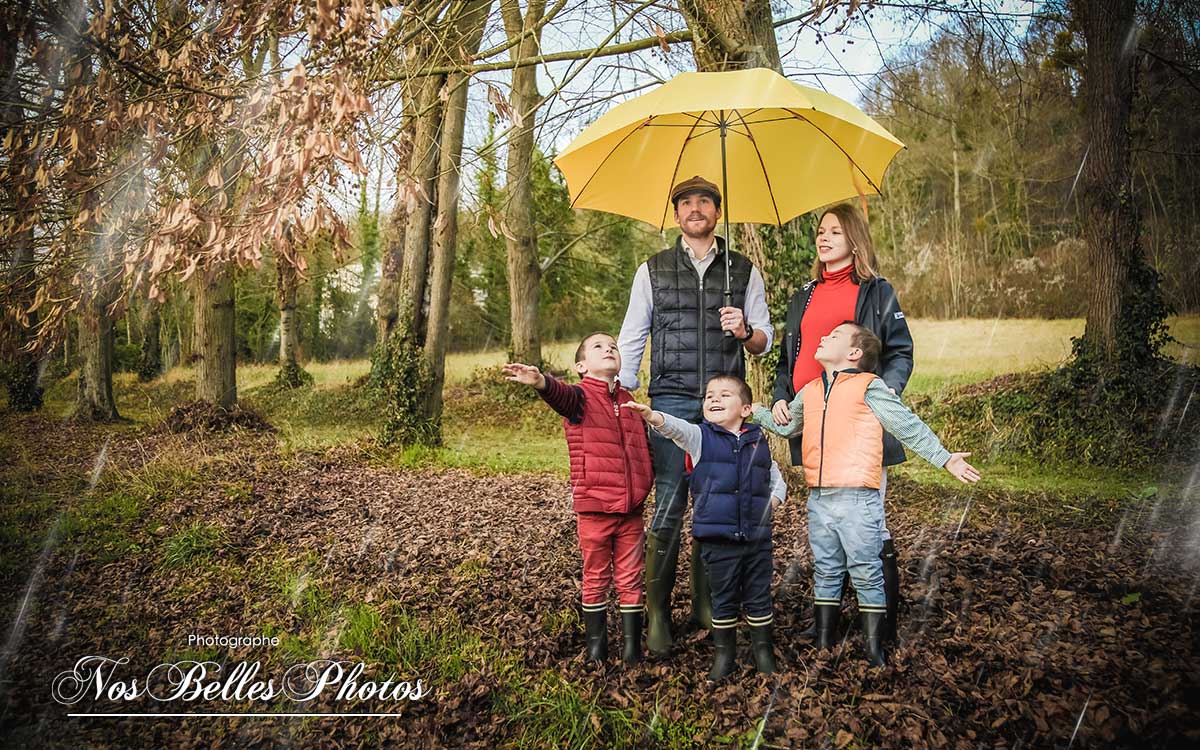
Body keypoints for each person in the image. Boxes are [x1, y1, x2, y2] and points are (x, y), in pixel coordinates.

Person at [753, 323, 980, 666]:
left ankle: (875, 650)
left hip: (858, 499)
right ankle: (824, 642)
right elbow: (787, 426)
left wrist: (944, 458)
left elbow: (906, 425)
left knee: (865, 569)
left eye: (834, 336)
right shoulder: (811, 390)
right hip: (819, 498)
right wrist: (754, 413)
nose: (824, 336)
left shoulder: (869, 387)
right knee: (827, 569)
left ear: (855, 353)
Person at [618, 175, 773, 657]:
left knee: (717, 502)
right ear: (677, 214)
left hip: (723, 402)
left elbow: (765, 341)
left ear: (717, 212)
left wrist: (744, 330)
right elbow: (632, 335)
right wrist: (619, 388)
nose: (696, 208)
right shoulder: (653, 270)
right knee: (670, 501)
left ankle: (707, 604)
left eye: (705, 201)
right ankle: (660, 613)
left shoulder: (743, 270)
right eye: (686, 202)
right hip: (670, 397)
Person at [770, 203, 914, 644]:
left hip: (860, 424)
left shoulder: (876, 291)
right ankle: (829, 623)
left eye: (834, 230)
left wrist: (884, 394)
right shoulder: (804, 295)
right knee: (828, 525)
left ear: (854, 238)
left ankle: (881, 625)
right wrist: (780, 397)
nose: (824, 237)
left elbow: (900, 351)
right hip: (813, 422)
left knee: (870, 524)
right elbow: (786, 360)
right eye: (820, 230)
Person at [503, 332, 654, 664]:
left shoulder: (631, 402)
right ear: (582, 365)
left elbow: (644, 451)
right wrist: (541, 381)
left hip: (631, 509)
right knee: (596, 574)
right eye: (598, 346)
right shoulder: (579, 398)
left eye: (613, 345)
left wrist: (647, 481)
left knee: (631, 576)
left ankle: (631, 648)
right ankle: (596, 649)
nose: (609, 349)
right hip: (595, 507)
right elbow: (560, 395)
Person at [623, 375, 786, 681]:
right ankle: (725, 656)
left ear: (746, 409)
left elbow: (776, 480)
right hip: (717, 540)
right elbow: (677, 429)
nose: (714, 400)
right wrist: (655, 417)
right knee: (722, 598)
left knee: (758, 595)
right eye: (709, 395)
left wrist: (769, 506)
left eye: (725, 395)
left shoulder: (758, 442)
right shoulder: (701, 438)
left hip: (757, 541)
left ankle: (763, 652)